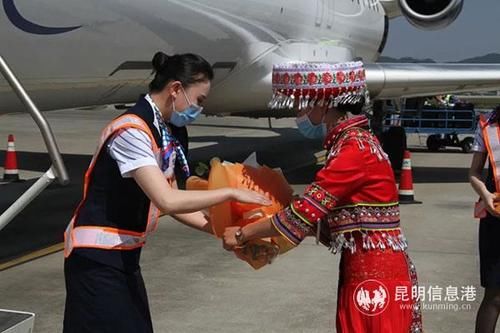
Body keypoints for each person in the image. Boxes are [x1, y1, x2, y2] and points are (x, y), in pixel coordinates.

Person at [62, 51, 271, 333]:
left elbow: (173, 198)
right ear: (175, 89)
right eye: (199, 101)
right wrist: (230, 193)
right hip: (96, 258)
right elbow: (167, 199)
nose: (199, 110)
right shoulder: (132, 130)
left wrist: (229, 232)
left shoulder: (165, 130)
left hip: (123, 256)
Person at [224, 61, 423, 332]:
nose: (300, 111)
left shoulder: (353, 149)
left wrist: (243, 234)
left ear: (325, 103)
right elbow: (326, 218)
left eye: (306, 103)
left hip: (374, 272)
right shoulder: (356, 141)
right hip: (368, 264)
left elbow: (303, 213)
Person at [469, 105, 500, 333]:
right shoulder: (489, 124)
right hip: (495, 216)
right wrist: (485, 194)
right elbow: (474, 172)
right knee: (495, 294)